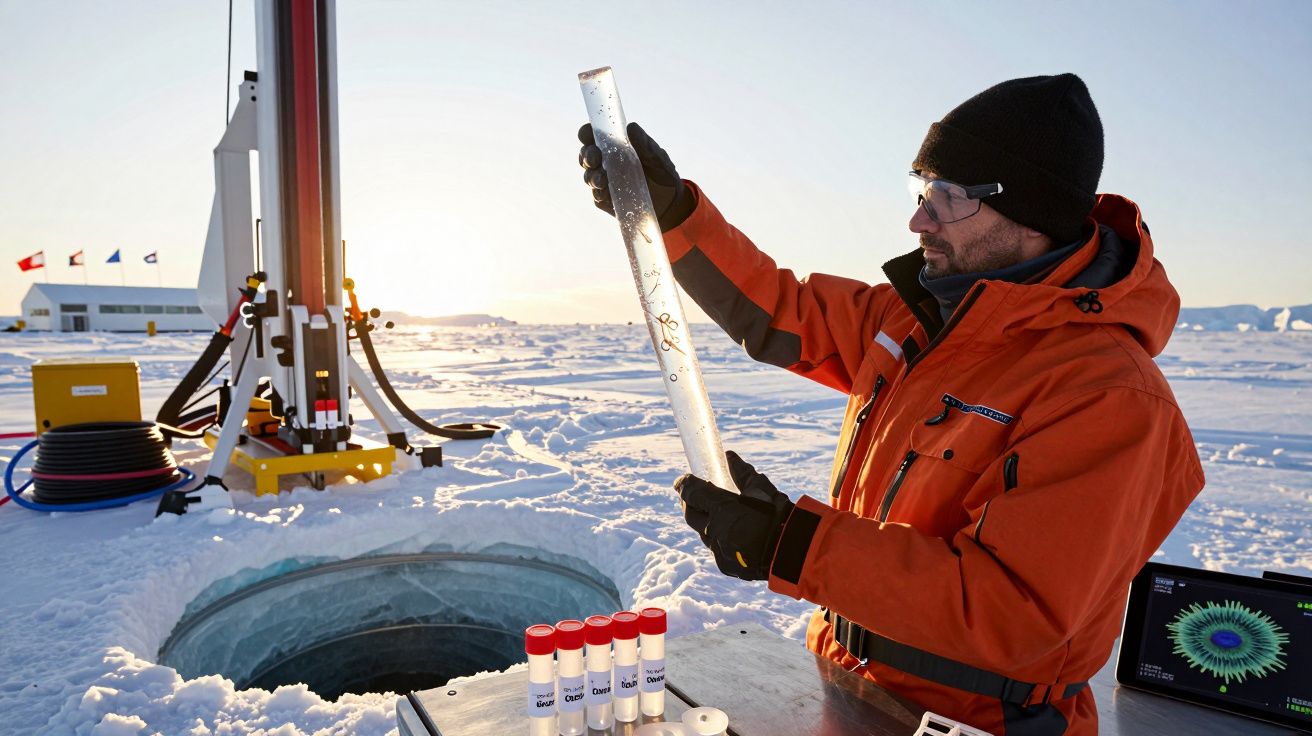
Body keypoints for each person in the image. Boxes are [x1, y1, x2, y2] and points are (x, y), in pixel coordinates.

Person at [578, 73, 1204, 735]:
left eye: (946, 198)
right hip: (847, 689)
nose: (918, 219)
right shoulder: (917, 322)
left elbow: (1015, 614)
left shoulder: (1106, 397)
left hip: (974, 722)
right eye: (921, 191)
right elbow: (779, 311)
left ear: (1031, 215)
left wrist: (791, 545)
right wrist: (674, 216)